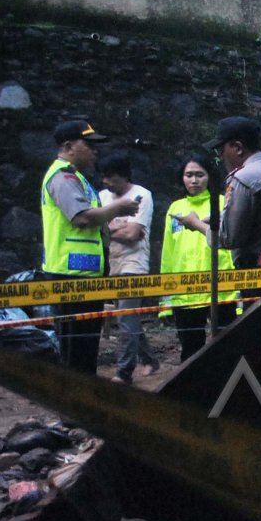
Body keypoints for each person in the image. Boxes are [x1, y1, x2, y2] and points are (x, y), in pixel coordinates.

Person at [40, 120, 139, 374]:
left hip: (83, 276)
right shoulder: (63, 177)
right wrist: (119, 207)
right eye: (89, 144)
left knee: (84, 351)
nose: (95, 151)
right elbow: (81, 217)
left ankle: (81, 407)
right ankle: (73, 411)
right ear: (68, 146)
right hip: (69, 277)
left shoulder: (76, 178)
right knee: (76, 352)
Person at [172, 116, 261, 271]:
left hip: (257, 268)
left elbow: (229, 238)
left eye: (221, 150)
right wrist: (224, 218)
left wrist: (195, 223)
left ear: (238, 148)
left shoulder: (242, 178)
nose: (220, 157)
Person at [161, 153, 237, 361]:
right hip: (185, 290)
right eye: (189, 175)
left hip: (222, 289)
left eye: (199, 175)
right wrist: (166, 299)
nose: (194, 180)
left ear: (209, 177)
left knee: (226, 347)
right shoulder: (175, 208)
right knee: (190, 349)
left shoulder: (223, 203)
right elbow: (168, 252)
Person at [98, 151, 159, 384]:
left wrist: (106, 229)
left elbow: (133, 234)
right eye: (103, 177)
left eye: (110, 176)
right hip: (112, 263)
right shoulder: (102, 196)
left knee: (125, 318)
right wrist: (112, 230)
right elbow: (93, 227)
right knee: (128, 316)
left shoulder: (142, 195)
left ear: (123, 175)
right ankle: (150, 359)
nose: (106, 182)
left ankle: (124, 372)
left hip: (134, 264)